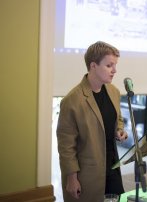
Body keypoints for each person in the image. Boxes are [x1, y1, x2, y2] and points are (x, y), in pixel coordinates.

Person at [57, 41, 128, 202]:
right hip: (87, 174)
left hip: (112, 166)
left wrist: (119, 130)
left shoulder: (114, 91)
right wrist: (71, 178)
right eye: (109, 65)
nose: (114, 70)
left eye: (115, 65)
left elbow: (117, 119)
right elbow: (66, 146)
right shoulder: (72, 100)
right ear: (93, 66)